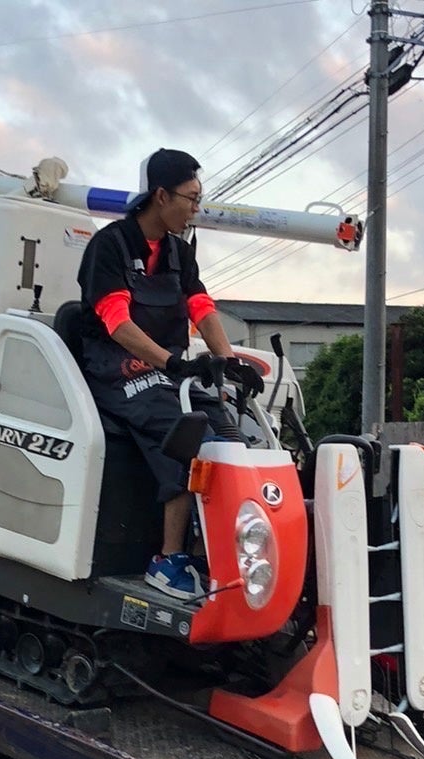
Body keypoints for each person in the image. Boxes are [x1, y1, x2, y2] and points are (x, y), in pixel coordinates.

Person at [77, 147, 264, 599]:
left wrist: (229, 363)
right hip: (118, 372)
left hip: (168, 373)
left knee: (233, 436)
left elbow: (201, 307)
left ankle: (216, 552)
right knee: (190, 439)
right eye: (192, 198)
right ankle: (168, 558)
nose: (196, 208)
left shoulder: (179, 252)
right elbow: (116, 322)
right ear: (161, 196)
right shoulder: (110, 246)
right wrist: (173, 363)